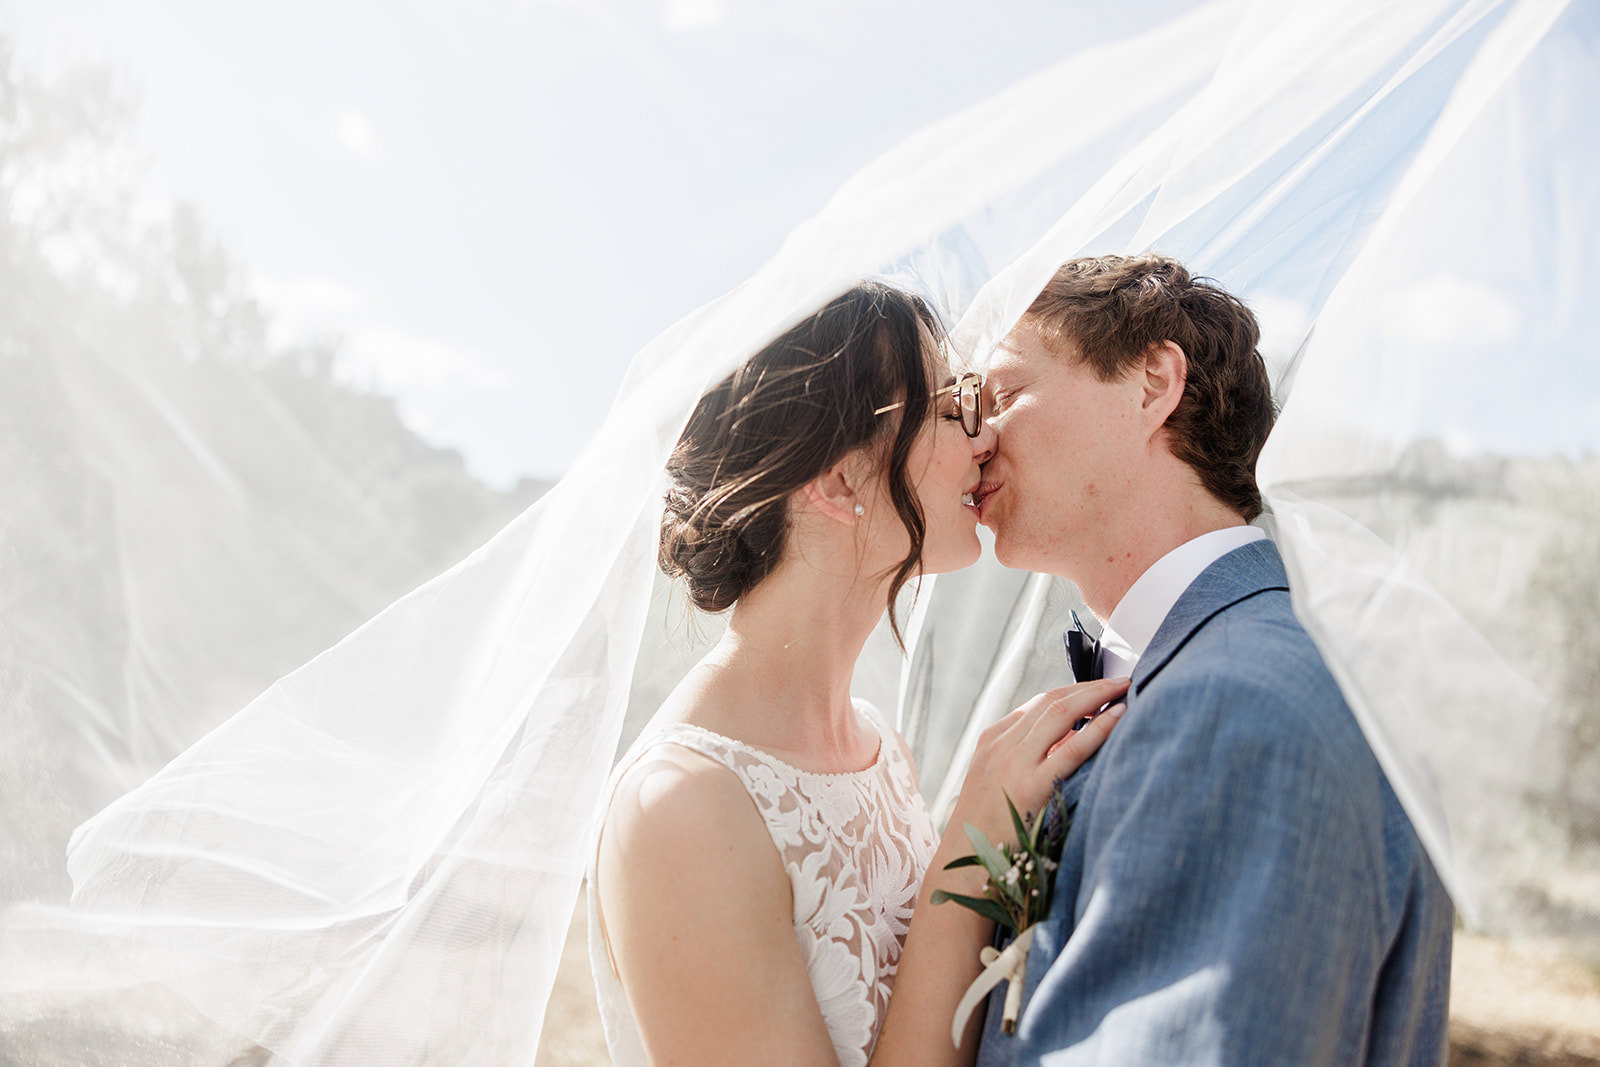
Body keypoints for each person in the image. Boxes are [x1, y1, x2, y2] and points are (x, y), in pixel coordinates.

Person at [588, 280, 1129, 1067]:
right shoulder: (680, 807)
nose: (985, 438)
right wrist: (971, 848)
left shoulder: (877, 743)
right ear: (838, 482)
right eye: (949, 407)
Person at [969, 254, 1455, 1065]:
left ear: (1153, 382)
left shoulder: (1238, 705)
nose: (976, 437)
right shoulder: (1230, 668)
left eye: (1007, 393)